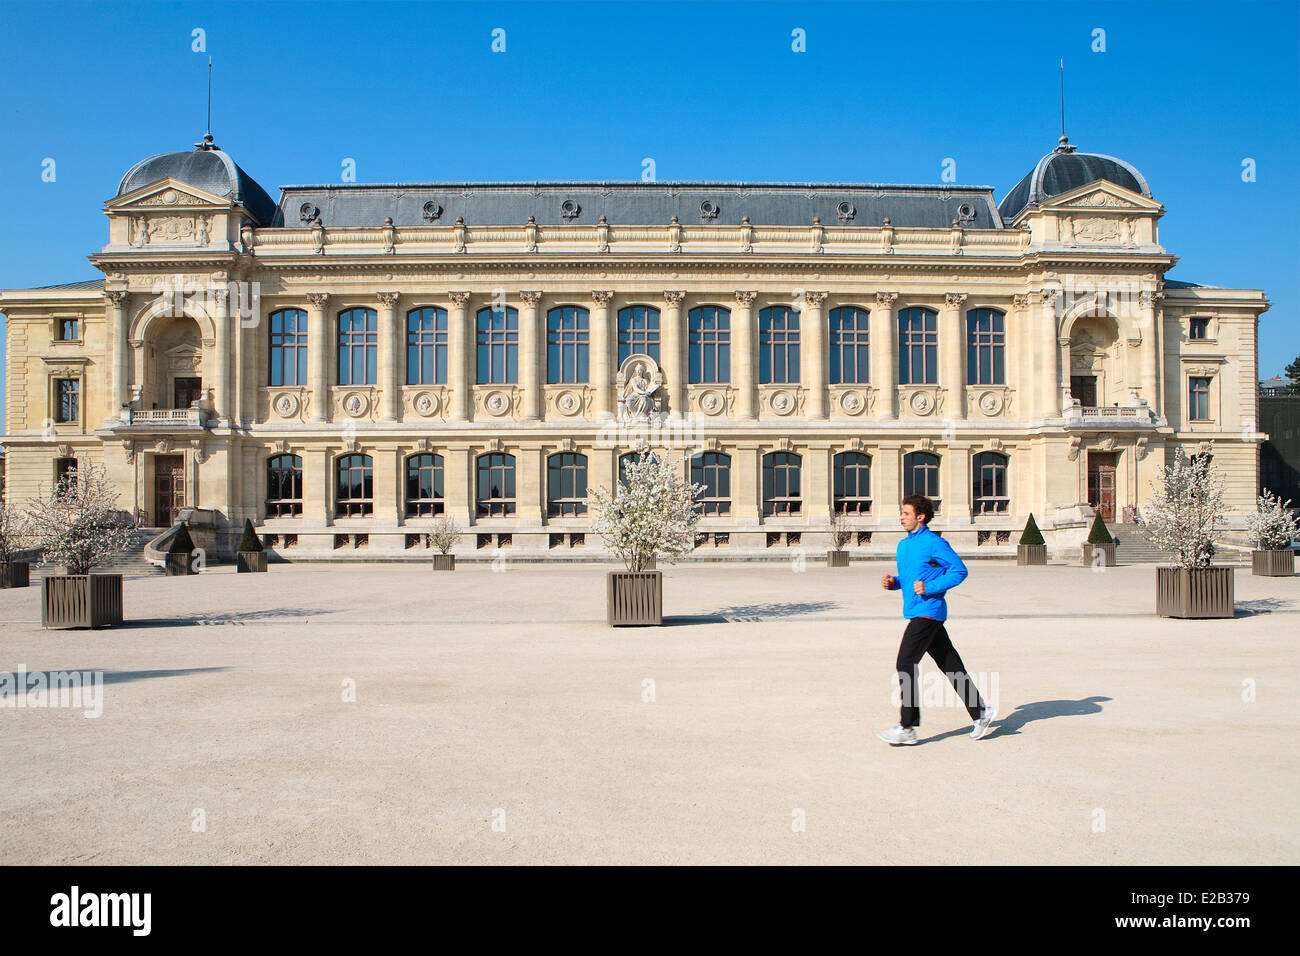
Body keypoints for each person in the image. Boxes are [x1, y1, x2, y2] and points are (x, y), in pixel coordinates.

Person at [878, 494, 996, 745]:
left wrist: (930, 587)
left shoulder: (934, 543)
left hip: (928, 611)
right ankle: (981, 712)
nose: (901, 517)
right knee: (951, 665)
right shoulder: (904, 545)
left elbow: (959, 570)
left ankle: (907, 727)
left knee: (905, 662)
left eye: (906, 513)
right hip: (917, 609)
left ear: (920, 517)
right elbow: (913, 576)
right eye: (902, 512)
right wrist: (895, 584)